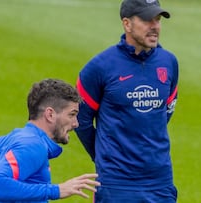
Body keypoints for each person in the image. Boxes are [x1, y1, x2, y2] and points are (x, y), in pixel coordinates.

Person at [75, 0, 179, 202]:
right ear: (127, 24)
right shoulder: (99, 67)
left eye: (157, 20)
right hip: (116, 183)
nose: (155, 26)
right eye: (147, 20)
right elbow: (81, 119)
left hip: (160, 181)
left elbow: (165, 112)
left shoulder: (169, 62)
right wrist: (103, 156)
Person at [0, 78, 100, 203]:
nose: (76, 124)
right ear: (50, 114)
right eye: (72, 115)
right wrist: (57, 190)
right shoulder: (33, 146)